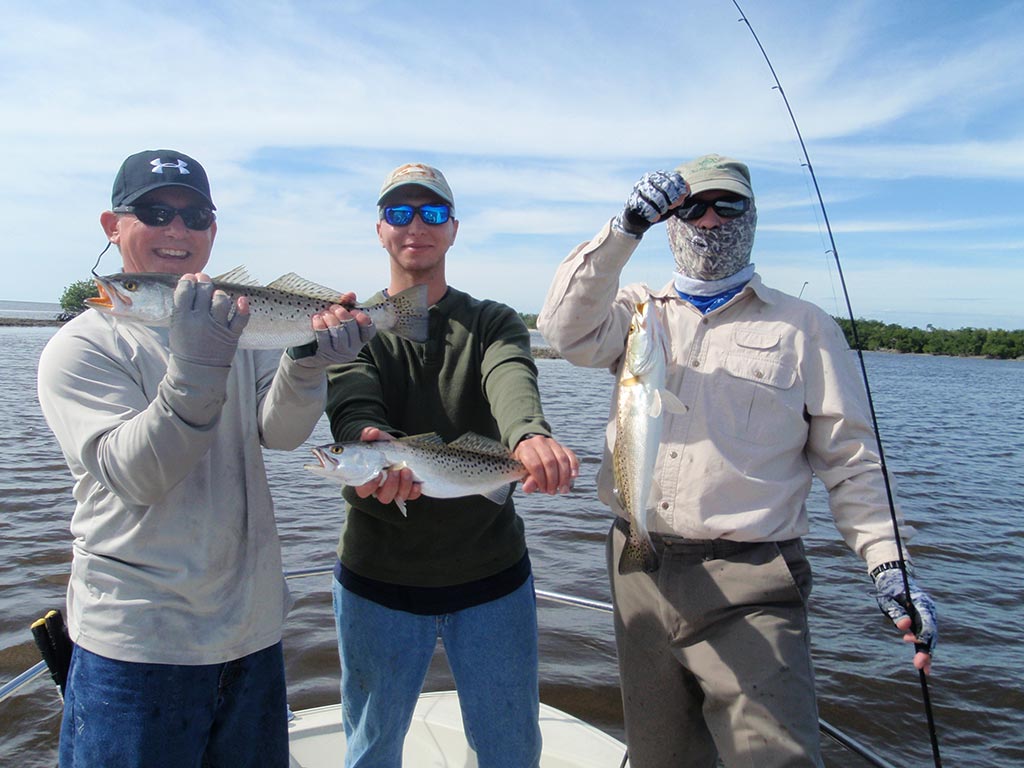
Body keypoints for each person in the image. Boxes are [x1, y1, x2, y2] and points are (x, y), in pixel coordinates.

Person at [537, 154, 938, 767]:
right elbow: (563, 332)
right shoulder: (639, 312)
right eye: (691, 206)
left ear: (753, 217)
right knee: (661, 757)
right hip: (637, 570)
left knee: (777, 758)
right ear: (669, 220)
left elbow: (852, 461)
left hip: (751, 581)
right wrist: (624, 229)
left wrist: (889, 562)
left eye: (730, 206)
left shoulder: (804, 327)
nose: (710, 220)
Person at [37, 148, 376, 768]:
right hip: (138, 647)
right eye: (155, 211)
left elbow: (280, 435)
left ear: (213, 232)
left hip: (250, 634)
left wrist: (306, 363)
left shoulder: (240, 327)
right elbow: (140, 476)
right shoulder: (81, 348)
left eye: (196, 216)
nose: (177, 229)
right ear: (112, 227)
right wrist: (197, 364)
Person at [325, 162, 579, 767]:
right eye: (400, 212)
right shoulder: (352, 327)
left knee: (510, 750)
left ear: (454, 229)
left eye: (433, 212)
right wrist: (365, 438)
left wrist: (528, 435)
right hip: (376, 582)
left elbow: (510, 376)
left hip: (493, 581)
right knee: (370, 751)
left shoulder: (492, 320)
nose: (417, 225)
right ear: (380, 229)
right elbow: (352, 399)